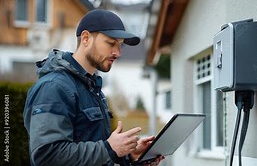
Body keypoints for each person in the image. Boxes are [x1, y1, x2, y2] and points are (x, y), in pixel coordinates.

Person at [23, 9, 164, 166]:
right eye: (111, 43)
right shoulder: (54, 88)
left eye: (120, 45)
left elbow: (95, 151)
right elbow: (47, 156)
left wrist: (128, 156)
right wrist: (110, 149)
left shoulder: (91, 87)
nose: (117, 53)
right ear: (85, 38)